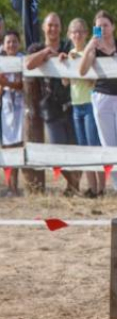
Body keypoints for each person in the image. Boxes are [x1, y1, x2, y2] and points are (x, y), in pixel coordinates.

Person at [79, 10, 117, 198]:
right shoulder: (93, 47)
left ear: (113, 27)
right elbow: (82, 71)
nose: (102, 29)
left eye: (105, 25)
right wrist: (90, 46)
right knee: (109, 145)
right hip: (102, 98)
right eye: (98, 26)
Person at [25, 12, 79, 196]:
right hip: (49, 105)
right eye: (50, 25)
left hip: (72, 102)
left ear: (61, 28)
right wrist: (46, 53)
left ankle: (74, 187)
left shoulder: (67, 45)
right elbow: (28, 64)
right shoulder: (37, 47)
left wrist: (68, 58)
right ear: (43, 27)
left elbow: (79, 56)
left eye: (56, 25)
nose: (53, 28)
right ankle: (73, 182)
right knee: (57, 149)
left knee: (75, 148)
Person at [65, 18, 103, 198]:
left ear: (87, 34)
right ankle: (92, 186)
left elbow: (91, 80)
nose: (77, 34)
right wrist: (65, 64)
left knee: (94, 145)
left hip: (89, 102)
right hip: (76, 104)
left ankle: (100, 187)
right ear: (69, 35)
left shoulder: (90, 52)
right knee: (83, 147)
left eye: (81, 31)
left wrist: (78, 62)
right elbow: (66, 82)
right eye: (74, 31)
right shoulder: (69, 53)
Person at [0, 30, 24, 195]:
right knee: (7, 146)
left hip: (21, 107)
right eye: (8, 42)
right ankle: (11, 187)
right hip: (5, 108)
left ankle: (20, 185)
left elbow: (24, 84)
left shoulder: (22, 59)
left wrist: (8, 82)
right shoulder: (1, 61)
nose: (11, 45)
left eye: (14, 41)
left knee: (19, 145)